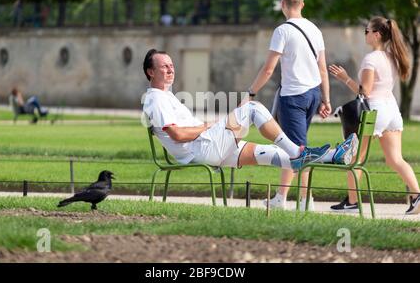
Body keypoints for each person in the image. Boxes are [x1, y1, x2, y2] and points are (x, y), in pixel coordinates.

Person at [142, 49, 358, 207]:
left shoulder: (165, 96)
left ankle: (333, 156)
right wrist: (208, 126)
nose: (171, 69)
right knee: (251, 108)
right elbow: (178, 134)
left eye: (171, 65)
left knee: (274, 153)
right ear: (151, 72)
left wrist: (209, 127)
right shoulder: (156, 99)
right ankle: (297, 153)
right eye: (164, 66)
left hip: (208, 147)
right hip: (203, 149)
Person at [245, 0, 332, 210]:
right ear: (302, 4)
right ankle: (282, 198)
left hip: (293, 96)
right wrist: (326, 100)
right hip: (313, 94)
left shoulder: (282, 31)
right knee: (294, 147)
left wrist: (251, 93)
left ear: (283, 4)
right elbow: (323, 69)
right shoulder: (315, 29)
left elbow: (268, 69)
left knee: (298, 150)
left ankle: (303, 201)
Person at [328, 16, 420, 215]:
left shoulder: (371, 59)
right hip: (392, 111)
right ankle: (417, 195)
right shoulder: (392, 56)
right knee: (396, 159)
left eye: (367, 31)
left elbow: (365, 92)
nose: (365, 34)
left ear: (377, 35)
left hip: (374, 112)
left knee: (356, 159)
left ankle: (352, 202)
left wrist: (345, 79)